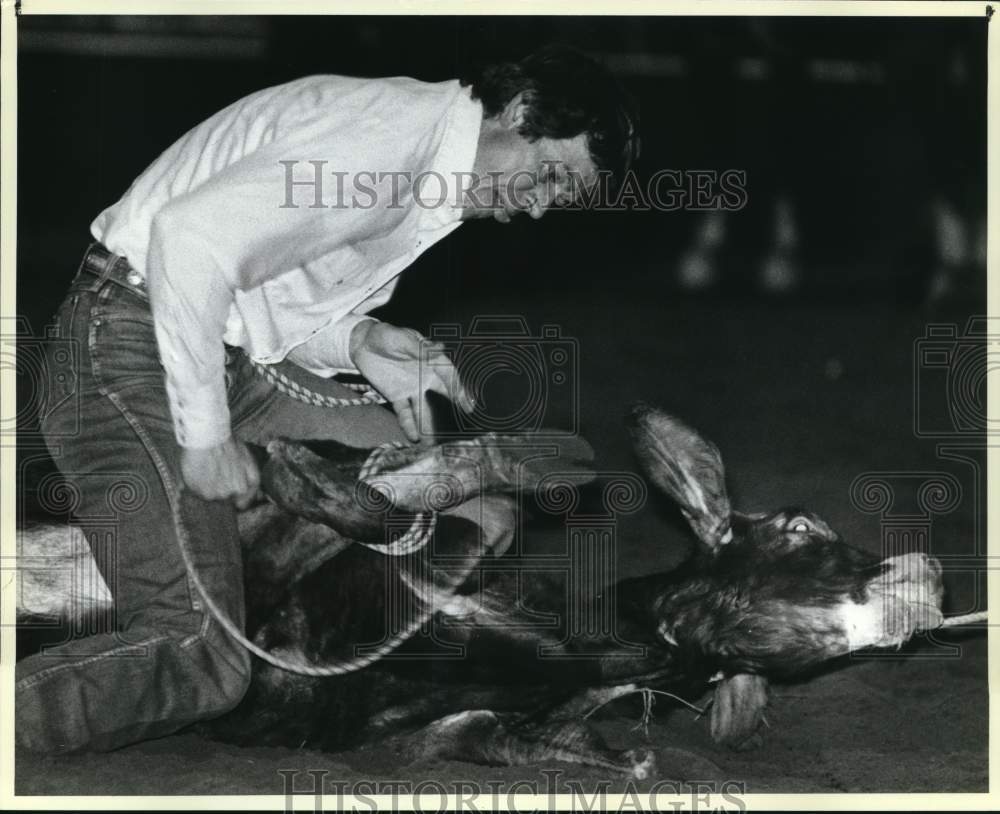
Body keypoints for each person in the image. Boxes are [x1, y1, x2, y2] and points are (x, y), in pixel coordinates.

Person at [17, 44, 638, 753]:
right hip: (123, 349)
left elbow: (261, 289)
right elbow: (186, 242)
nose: (536, 208)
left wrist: (361, 342)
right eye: (550, 176)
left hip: (226, 356)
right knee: (202, 659)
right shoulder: (387, 141)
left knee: (468, 507)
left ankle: (339, 655)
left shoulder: (422, 158)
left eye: (559, 200)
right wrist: (203, 433)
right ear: (520, 111)